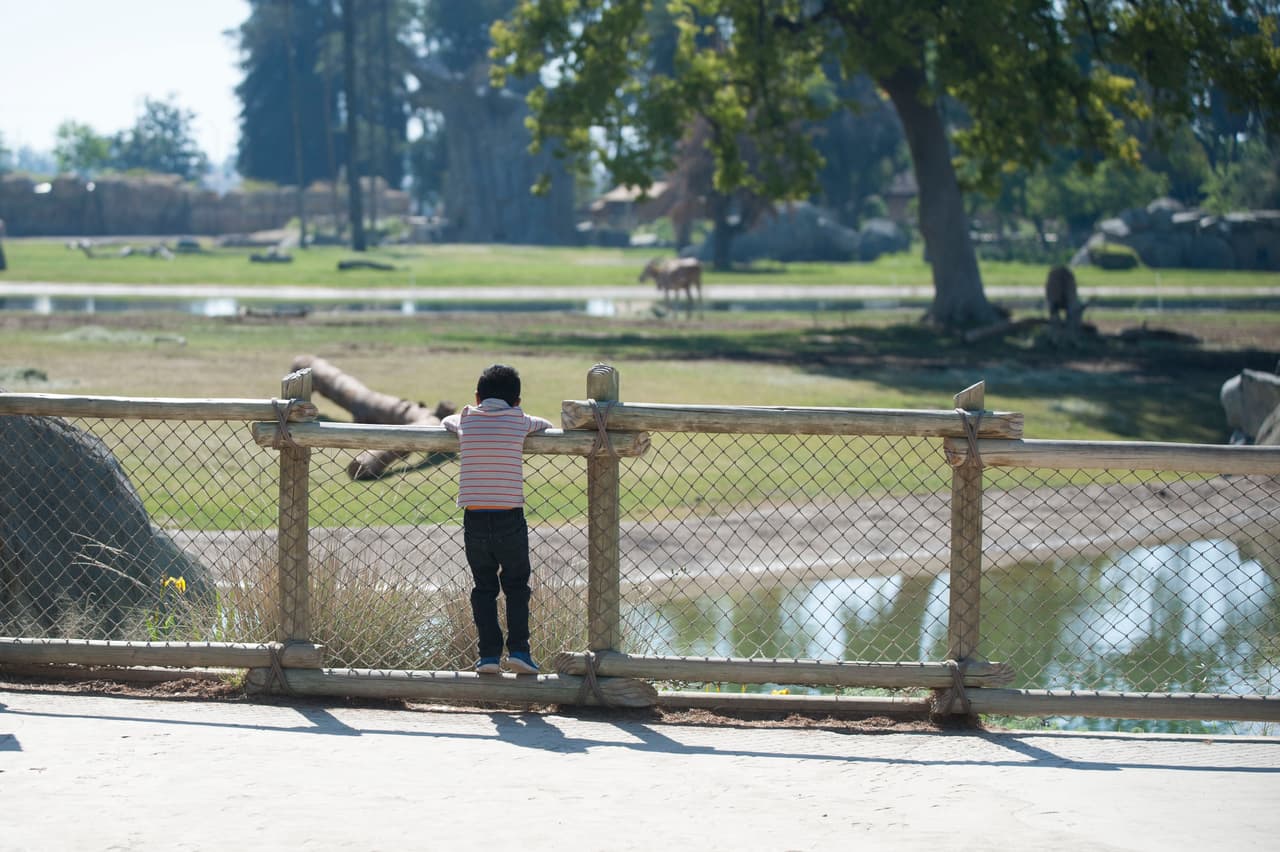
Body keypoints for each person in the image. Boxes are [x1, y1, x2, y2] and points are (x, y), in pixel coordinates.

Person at [441, 364, 553, 675]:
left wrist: (463, 415)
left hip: (474, 518)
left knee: (483, 587)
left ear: (477, 397)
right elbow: (545, 424)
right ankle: (519, 650)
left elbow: (446, 421)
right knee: (516, 585)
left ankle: (488, 655)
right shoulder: (519, 420)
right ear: (517, 401)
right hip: (509, 516)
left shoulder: (465, 418)